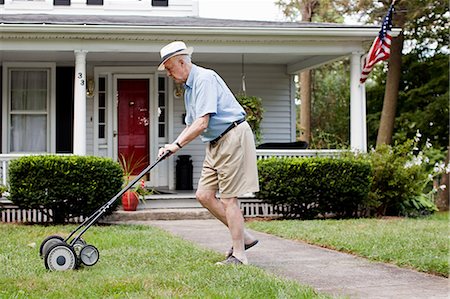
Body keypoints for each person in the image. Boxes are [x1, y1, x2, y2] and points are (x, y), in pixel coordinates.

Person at [157, 41, 260, 265]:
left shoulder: (204, 79)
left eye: (169, 67)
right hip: (215, 142)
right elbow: (191, 123)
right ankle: (245, 236)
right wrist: (172, 144)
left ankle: (240, 255)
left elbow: (202, 122)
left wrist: (177, 146)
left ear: (182, 62)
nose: (168, 73)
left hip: (231, 136)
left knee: (228, 198)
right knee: (203, 195)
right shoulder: (188, 89)